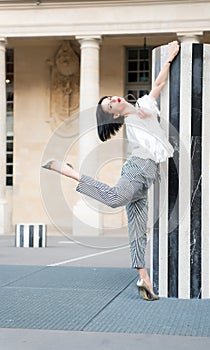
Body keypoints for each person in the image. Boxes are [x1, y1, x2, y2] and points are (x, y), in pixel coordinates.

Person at [42, 40, 180, 301]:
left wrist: (170, 57)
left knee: (138, 229)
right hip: (138, 170)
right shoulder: (130, 120)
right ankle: (68, 171)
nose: (113, 100)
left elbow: (159, 84)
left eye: (110, 99)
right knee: (115, 198)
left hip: (145, 177)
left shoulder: (145, 105)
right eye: (109, 106)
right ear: (114, 115)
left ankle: (145, 281)